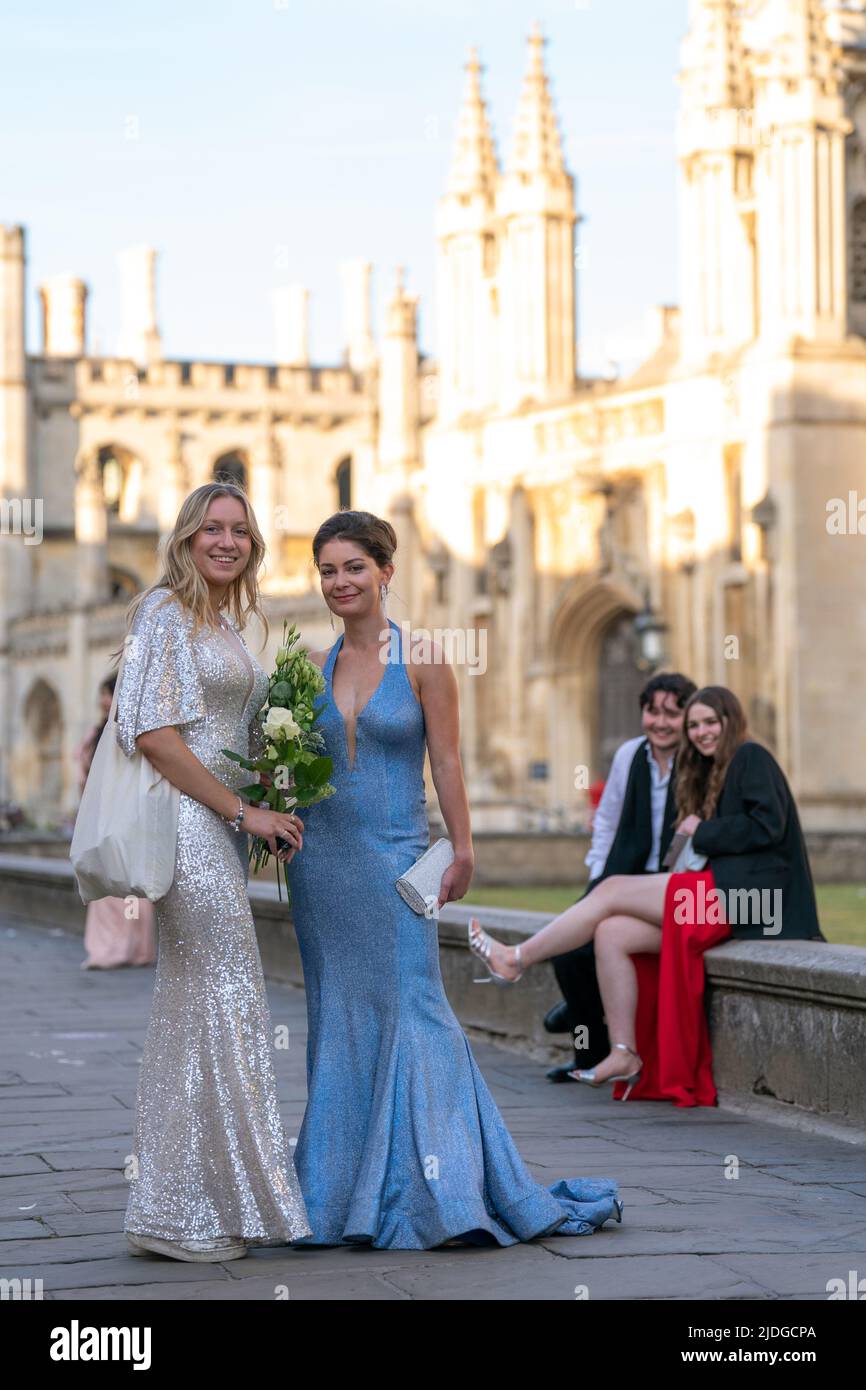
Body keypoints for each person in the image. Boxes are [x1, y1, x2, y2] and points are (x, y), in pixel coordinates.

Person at [282, 509, 622, 1249]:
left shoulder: (427, 658)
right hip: (320, 868)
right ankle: (338, 1194)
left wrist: (462, 847)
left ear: (386, 572)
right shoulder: (306, 668)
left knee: (418, 1012)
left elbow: (448, 762)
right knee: (338, 1019)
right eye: (328, 571)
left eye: (353, 568)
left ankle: (443, 1186)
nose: (339, 582)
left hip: (398, 863)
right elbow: (287, 768)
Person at [115, 481, 310, 1260]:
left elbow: (224, 725)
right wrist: (243, 811)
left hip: (218, 827)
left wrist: (279, 773)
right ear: (187, 538)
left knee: (197, 1011)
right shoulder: (162, 613)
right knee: (223, 1001)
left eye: (240, 530)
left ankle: (181, 1206)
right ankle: (183, 1212)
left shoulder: (221, 621)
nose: (227, 542)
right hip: (193, 831)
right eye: (212, 530)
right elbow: (155, 735)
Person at [470, 686, 824, 1107]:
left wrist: (701, 831)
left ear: (731, 721)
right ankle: (624, 1053)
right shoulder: (710, 770)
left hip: (755, 900)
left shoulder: (751, 756)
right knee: (613, 932)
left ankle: (516, 959)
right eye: (694, 726)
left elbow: (768, 826)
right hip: (723, 894)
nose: (702, 732)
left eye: (711, 722)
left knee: (613, 889)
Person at [545, 673, 696, 1083]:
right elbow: (607, 820)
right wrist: (597, 875)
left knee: (602, 942)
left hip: (668, 885)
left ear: (688, 717)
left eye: (672, 713)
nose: (661, 722)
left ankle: (574, 1012)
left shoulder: (699, 761)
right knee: (570, 953)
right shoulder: (630, 755)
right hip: (620, 877)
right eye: (652, 712)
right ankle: (585, 1054)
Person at [77, 674, 156, 970]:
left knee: (116, 884)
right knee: (128, 884)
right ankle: (134, 947)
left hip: (114, 816)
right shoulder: (112, 730)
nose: (102, 702)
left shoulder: (112, 732)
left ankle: (116, 948)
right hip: (123, 815)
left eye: (107, 695)